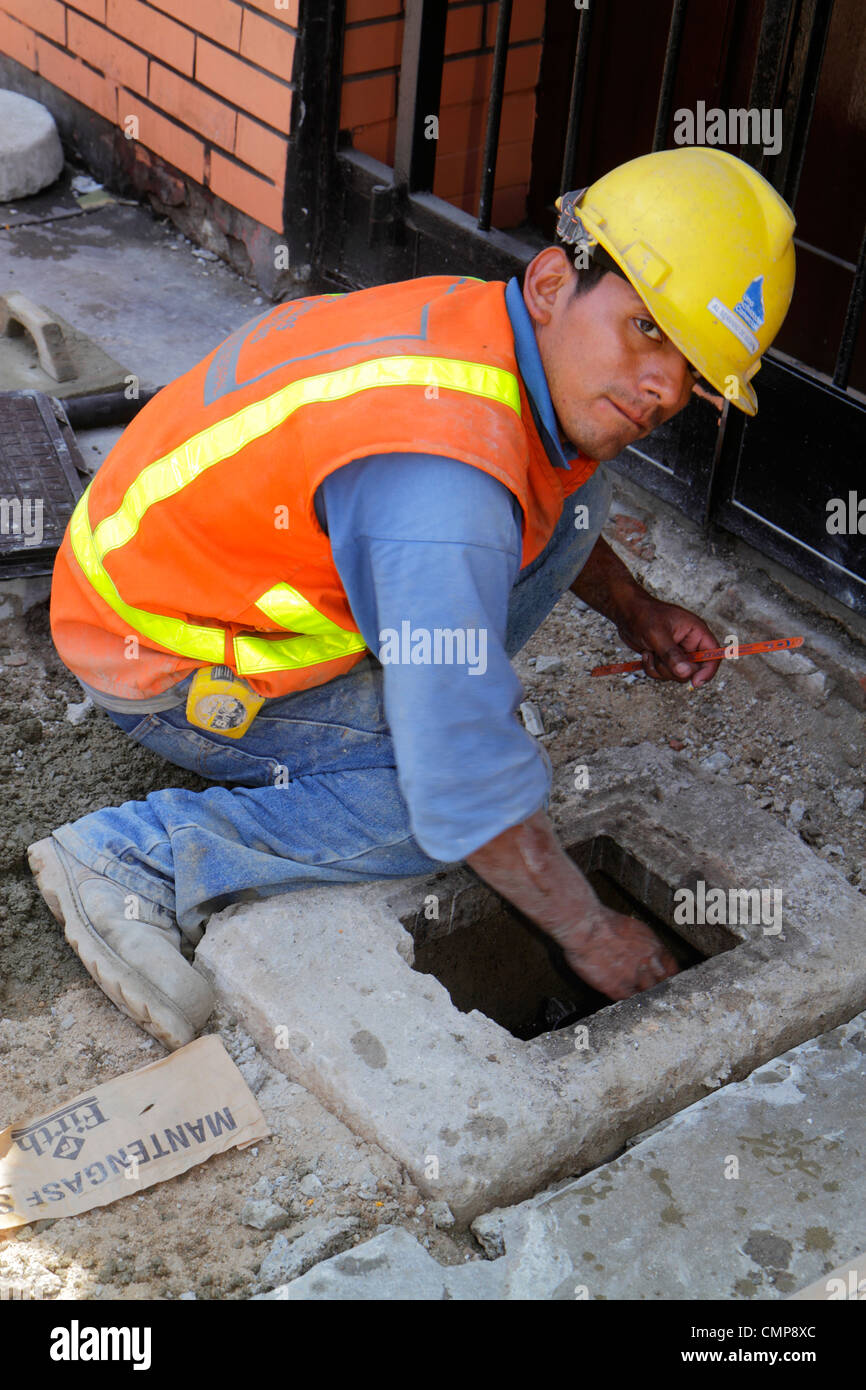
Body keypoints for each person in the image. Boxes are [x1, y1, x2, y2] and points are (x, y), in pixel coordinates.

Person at [29, 147, 796, 1049]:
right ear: (553, 282)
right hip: (159, 653)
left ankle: (429, 674)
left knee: (580, 495)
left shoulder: (486, 332)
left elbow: (538, 501)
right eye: (646, 329)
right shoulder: (441, 484)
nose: (664, 389)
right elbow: (464, 788)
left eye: (695, 374)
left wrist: (638, 611)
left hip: (196, 562)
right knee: (436, 812)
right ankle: (131, 858)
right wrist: (591, 932)